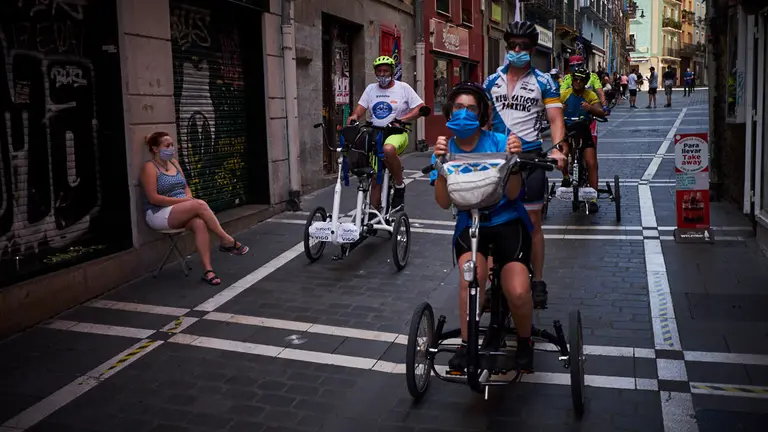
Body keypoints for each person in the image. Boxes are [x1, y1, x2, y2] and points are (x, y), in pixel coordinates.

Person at [430, 82, 535, 372]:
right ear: (450, 111)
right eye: (459, 107)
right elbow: (442, 202)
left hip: (506, 222)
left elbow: (513, 194)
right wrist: (440, 166)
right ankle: (467, 344)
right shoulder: (444, 148)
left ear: (482, 115)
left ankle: (525, 341)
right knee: (470, 280)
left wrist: (514, 161)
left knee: (516, 290)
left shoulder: (500, 142)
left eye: (472, 108)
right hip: (470, 224)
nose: (464, 113)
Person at [483, 21, 567, 310]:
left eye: (523, 47)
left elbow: (556, 120)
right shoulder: (490, 81)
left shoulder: (544, 81)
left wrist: (557, 151)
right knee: (489, 221)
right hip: (497, 159)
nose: (517, 50)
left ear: (532, 51)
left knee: (532, 223)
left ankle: (538, 279)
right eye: (512, 46)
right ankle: (493, 280)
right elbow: (482, 120)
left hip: (530, 159)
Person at [140, 132, 249, 286]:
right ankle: (227, 240)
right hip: (158, 213)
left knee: (199, 222)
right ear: (156, 149)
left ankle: (208, 271)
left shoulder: (174, 163)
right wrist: (186, 201)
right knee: (200, 204)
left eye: (172, 145)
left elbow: (186, 188)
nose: (172, 148)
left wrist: (187, 199)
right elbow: (153, 198)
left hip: (180, 209)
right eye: (167, 146)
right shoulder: (149, 168)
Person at [347, 56, 425, 211]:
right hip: (376, 135)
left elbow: (420, 108)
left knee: (389, 150)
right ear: (375, 72)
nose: (382, 74)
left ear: (392, 72)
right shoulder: (370, 89)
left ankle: (399, 184)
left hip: (397, 133)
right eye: (379, 71)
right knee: (376, 177)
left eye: (386, 71)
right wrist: (354, 116)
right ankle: (373, 217)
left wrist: (402, 119)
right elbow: (360, 109)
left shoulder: (403, 88)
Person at [560, 68, 607, 213]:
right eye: (575, 79)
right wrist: (559, 108)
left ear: (585, 81)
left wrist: (590, 108)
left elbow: (601, 112)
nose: (577, 82)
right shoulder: (565, 94)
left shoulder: (590, 95)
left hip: (584, 131)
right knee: (562, 154)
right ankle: (567, 177)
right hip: (568, 130)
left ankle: (592, 198)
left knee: (591, 163)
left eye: (581, 80)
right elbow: (552, 110)